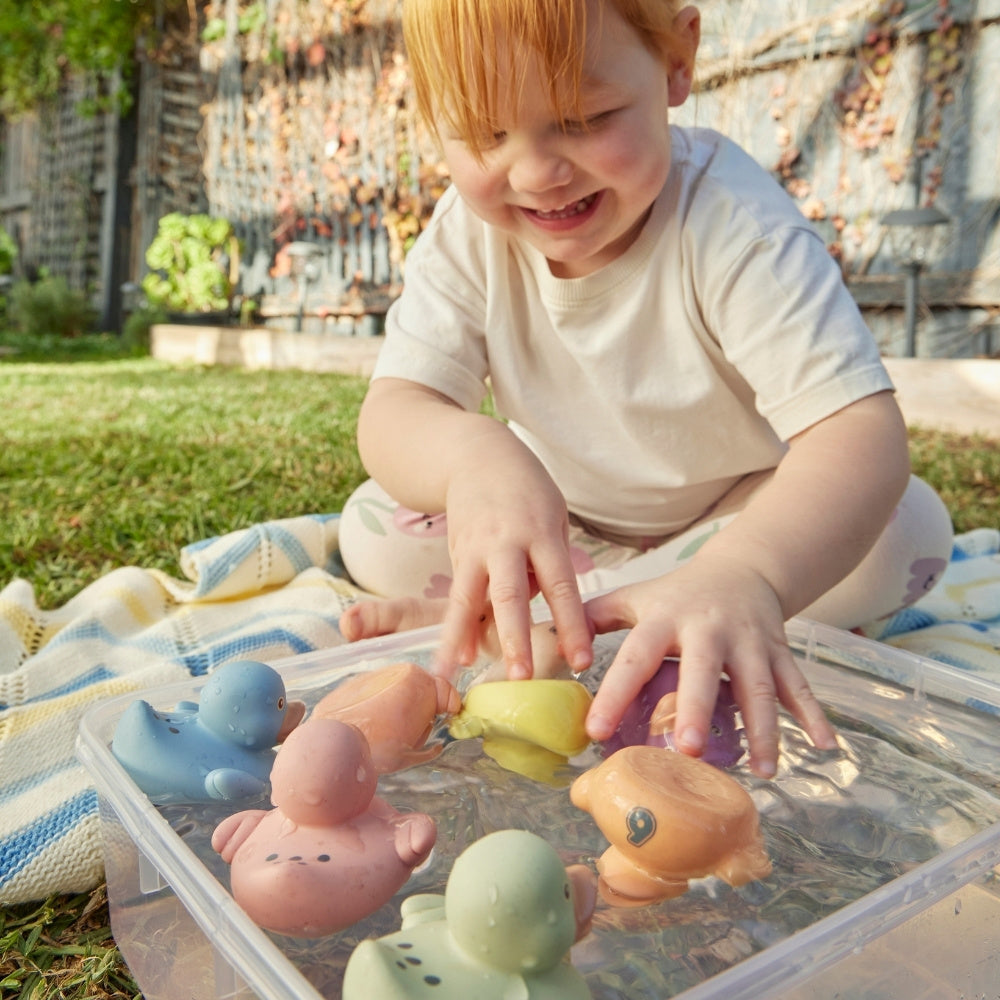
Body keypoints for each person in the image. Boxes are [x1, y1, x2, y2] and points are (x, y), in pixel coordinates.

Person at [336, 0, 953, 778]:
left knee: (899, 531)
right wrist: (473, 460)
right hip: (562, 524)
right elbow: (396, 410)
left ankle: (557, 621)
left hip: (731, 519)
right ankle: (605, 611)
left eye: (584, 118)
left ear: (675, 62)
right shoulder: (467, 232)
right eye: (486, 134)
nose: (536, 173)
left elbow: (858, 435)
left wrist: (750, 571)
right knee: (374, 528)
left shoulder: (733, 227)